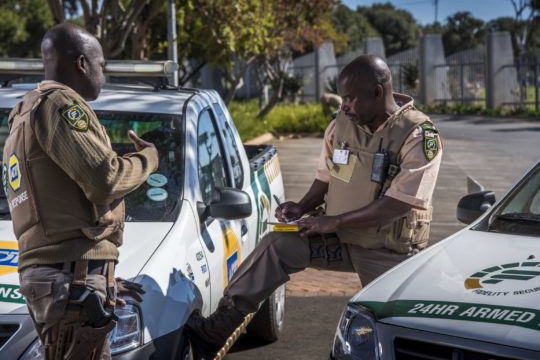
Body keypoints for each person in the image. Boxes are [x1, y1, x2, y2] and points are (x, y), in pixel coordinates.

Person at [186, 55, 442, 359]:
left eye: (350, 97)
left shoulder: (418, 134)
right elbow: (330, 176)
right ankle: (219, 327)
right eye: (342, 97)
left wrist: (334, 221)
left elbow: (399, 204)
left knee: (387, 327)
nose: (344, 104)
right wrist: (302, 206)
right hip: (342, 236)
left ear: (377, 91)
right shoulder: (342, 125)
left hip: (385, 249)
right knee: (278, 245)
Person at [2, 23, 159, 359]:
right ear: (82, 64)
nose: (103, 74)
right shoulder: (60, 105)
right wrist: (148, 158)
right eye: (101, 65)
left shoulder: (24, 110)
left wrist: (105, 277)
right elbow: (106, 180)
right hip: (69, 276)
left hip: (65, 274)